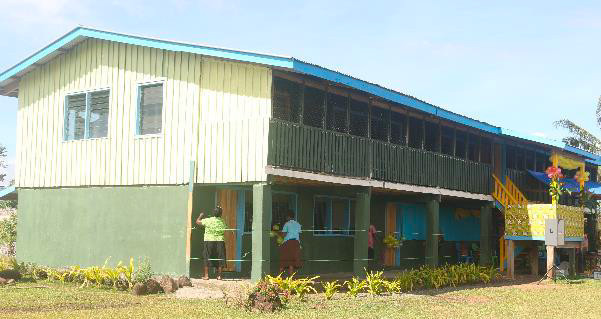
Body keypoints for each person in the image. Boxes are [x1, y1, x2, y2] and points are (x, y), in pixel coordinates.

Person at [196, 206, 227, 280]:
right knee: (220, 257)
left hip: (209, 240)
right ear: (221, 214)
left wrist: (200, 215)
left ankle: (206, 275)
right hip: (220, 241)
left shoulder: (208, 220)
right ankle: (219, 276)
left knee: (207, 256)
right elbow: (225, 228)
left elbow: (197, 222)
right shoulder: (222, 221)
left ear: (213, 213)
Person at [279, 211, 302, 276]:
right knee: (291, 262)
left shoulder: (287, 224)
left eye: (286, 216)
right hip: (296, 243)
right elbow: (299, 235)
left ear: (288, 217)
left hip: (288, 243)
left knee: (283, 261)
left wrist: (278, 233)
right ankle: (290, 279)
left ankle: (279, 277)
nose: (286, 218)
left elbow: (284, 235)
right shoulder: (298, 224)